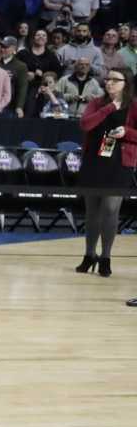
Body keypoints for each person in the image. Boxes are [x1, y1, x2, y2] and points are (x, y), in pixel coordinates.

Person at [75, 68, 131, 277]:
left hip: (120, 161)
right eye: (107, 79)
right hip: (94, 160)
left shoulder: (133, 106)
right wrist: (109, 108)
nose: (109, 83)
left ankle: (106, 257)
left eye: (115, 80)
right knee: (92, 211)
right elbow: (85, 124)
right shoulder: (97, 103)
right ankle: (90, 254)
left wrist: (127, 132)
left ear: (126, 83)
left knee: (110, 208)